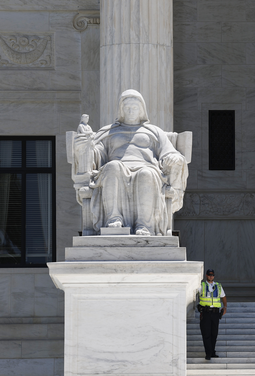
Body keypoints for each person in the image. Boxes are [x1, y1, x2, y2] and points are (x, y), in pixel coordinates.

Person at [72, 89, 188, 236]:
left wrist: (174, 158)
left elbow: (170, 152)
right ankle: (113, 219)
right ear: (121, 110)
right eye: (127, 108)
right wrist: (84, 146)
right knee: (112, 166)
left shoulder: (154, 131)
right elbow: (97, 155)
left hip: (147, 167)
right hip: (116, 167)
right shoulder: (108, 132)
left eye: (135, 108)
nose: (131, 111)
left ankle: (144, 225)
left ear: (141, 110)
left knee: (146, 174)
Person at [197, 269, 227, 360]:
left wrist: (225, 307)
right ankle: (208, 353)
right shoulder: (201, 285)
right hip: (205, 312)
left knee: (214, 333)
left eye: (212, 275)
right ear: (206, 275)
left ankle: (212, 351)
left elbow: (223, 297)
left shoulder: (218, 286)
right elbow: (194, 294)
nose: (211, 276)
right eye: (209, 275)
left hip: (215, 313)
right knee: (206, 333)